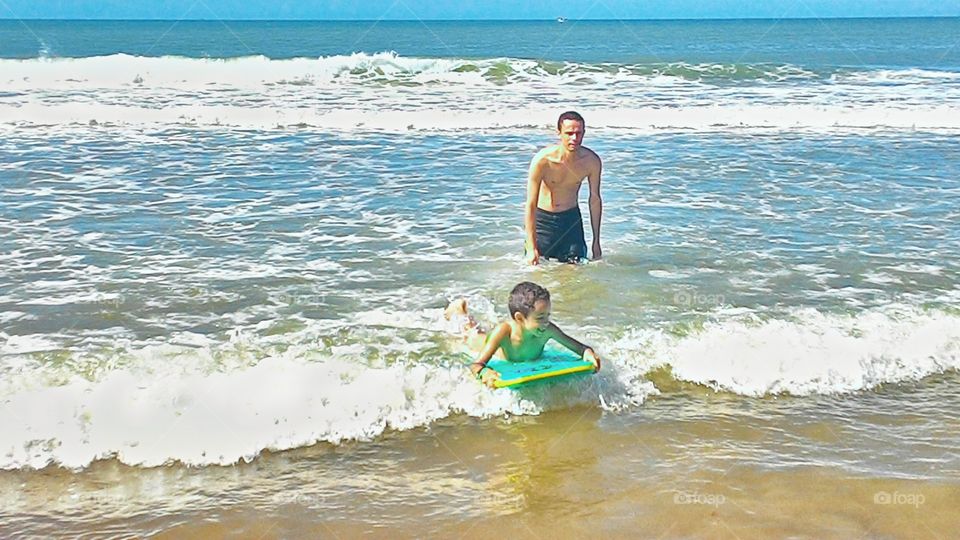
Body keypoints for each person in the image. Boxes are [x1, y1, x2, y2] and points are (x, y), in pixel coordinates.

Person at [445, 281, 601, 387]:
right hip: (481, 343)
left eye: (548, 316)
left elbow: (581, 348)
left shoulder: (547, 330)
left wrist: (588, 353)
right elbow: (476, 365)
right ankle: (457, 310)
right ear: (519, 318)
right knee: (469, 332)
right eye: (540, 318)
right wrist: (484, 373)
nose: (546, 322)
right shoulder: (503, 331)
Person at [524, 111, 603, 264]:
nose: (574, 138)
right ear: (559, 133)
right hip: (543, 222)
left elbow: (595, 200)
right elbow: (531, 204)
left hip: (571, 221)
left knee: (576, 271)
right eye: (569, 133)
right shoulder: (543, 160)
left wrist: (596, 242)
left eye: (578, 133)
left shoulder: (591, 161)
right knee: (538, 271)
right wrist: (531, 246)